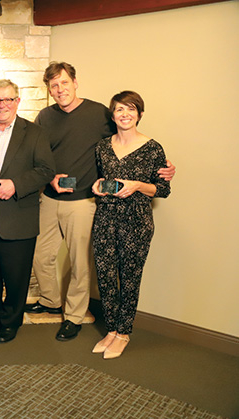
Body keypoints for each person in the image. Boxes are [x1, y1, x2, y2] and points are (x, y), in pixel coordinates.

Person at [29, 62, 176, 342]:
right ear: (48, 89)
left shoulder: (99, 113)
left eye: (64, 83)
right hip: (49, 198)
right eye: (54, 86)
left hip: (84, 201)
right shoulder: (45, 117)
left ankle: (74, 316)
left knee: (80, 262)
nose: (60, 90)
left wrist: (164, 166)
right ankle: (50, 301)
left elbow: (128, 134)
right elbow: (37, 154)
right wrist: (49, 179)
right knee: (39, 254)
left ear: (75, 82)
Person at [0, 80, 55, 343]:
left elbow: (45, 170)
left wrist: (15, 185)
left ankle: (10, 322)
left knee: (16, 276)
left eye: (7, 100)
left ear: (17, 102)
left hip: (17, 217)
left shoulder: (35, 133)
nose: (1, 105)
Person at [90, 91, 170, 359]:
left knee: (129, 277)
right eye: (119, 110)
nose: (125, 114)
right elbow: (99, 179)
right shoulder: (102, 147)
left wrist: (136, 186)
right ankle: (111, 329)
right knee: (105, 275)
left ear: (140, 114)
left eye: (130, 109)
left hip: (136, 220)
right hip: (105, 217)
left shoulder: (153, 148)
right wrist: (97, 186)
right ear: (112, 115)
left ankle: (123, 333)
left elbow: (163, 189)